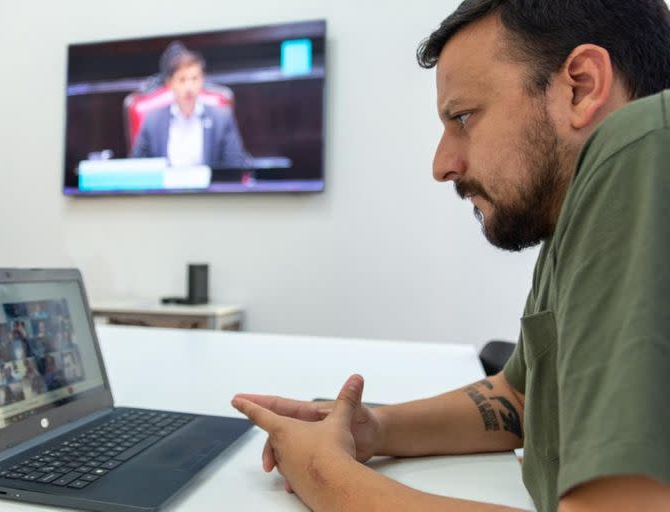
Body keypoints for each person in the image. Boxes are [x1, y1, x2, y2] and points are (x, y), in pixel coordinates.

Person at [231, 2, 670, 511]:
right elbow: (521, 398)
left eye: (463, 116)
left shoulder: (646, 148)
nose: (443, 165)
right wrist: (373, 429)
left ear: (582, 84)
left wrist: (322, 473)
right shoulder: (575, 210)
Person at [130, 41, 251, 169]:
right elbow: (137, 168)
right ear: (170, 84)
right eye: (182, 80)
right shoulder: (153, 120)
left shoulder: (221, 118)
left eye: (194, 79)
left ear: (202, 80)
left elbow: (235, 167)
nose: (189, 87)